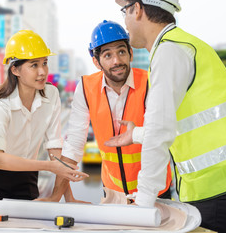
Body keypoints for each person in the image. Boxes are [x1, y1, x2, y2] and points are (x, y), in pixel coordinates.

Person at [105, 0, 226, 232]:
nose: (125, 22)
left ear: (137, 9)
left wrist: (143, 204)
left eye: (125, 11)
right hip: (225, 185)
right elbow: (188, 122)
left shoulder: (169, 52)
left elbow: (160, 131)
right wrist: (136, 135)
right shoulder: (182, 45)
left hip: (217, 191)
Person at [40, 20, 172, 203]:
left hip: (155, 193)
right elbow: (74, 146)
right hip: (112, 194)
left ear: (131, 53)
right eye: (108, 55)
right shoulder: (86, 88)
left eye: (121, 51)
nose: (117, 60)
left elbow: (158, 141)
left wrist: (144, 198)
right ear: (96, 62)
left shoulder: (150, 83)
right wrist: (56, 197)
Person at [0, 30, 88, 203]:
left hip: (26, 175)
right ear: (15, 69)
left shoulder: (51, 95)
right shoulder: (1, 104)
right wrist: (49, 167)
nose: (42, 72)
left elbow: (54, 147)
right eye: (34, 65)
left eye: (45, 63)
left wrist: (67, 198)